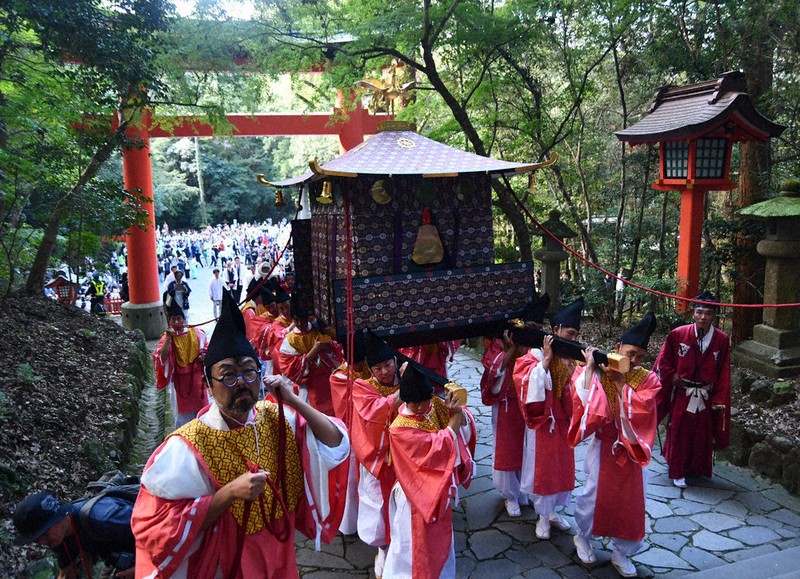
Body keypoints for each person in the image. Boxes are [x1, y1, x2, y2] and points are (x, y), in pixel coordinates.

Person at [131, 291, 350, 578]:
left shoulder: (275, 418)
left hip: (280, 552)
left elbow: (336, 442)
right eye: (228, 375)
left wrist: (294, 401)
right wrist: (228, 493)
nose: (242, 383)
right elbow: (153, 527)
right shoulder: (186, 446)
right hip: (227, 559)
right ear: (209, 384)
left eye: (249, 372)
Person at [569, 313, 662, 577]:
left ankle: (622, 551)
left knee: (631, 505)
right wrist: (590, 370)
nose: (635, 361)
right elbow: (582, 400)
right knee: (593, 495)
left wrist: (621, 383)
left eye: (640, 356)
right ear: (618, 347)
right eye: (630, 353)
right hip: (604, 446)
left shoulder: (647, 379)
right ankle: (583, 537)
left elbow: (644, 410)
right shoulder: (600, 368)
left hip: (633, 451)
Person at [383, 362, 476, 578]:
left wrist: (457, 410)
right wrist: (454, 418)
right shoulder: (399, 428)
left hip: (437, 486)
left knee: (440, 541)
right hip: (413, 492)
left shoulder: (432, 407)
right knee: (411, 546)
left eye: (425, 401)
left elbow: (463, 421)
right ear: (407, 401)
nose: (422, 407)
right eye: (416, 403)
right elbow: (436, 447)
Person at [513, 297, 583, 540]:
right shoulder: (534, 355)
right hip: (542, 423)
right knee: (543, 470)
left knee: (561, 469)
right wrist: (544, 363)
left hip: (563, 424)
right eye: (570, 333)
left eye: (576, 335)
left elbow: (580, 392)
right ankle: (542, 516)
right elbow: (522, 379)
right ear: (556, 330)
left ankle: (553, 512)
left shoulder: (571, 359)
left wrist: (573, 370)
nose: (573, 339)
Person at [480, 293, 549, 518]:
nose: (534, 331)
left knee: (526, 448)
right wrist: (510, 350)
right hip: (506, 402)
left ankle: (521, 489)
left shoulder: (538, 347)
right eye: (531, 326)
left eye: (538, 327)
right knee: (507, 448)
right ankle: (509, 494)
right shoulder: (502, 341)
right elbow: (492, 368)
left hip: (527, 402)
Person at [654, 291, 731, 489]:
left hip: (705, 394)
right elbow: (664, 361)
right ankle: (678, 471)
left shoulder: (722, 340)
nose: (703, 317)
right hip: (683, 392)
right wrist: (672, 375)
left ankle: (696, 468)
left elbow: (724, 371)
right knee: (680, 431)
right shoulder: (678, 334)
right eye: (699, 312)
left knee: (701, 433)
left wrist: (719, 398)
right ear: (693, 313)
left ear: (714, 316)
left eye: (708, 313)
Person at [347, 330, 403, 577]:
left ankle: (401, 549)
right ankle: (382, 549)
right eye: (378, 368)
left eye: (388, 365)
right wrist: (402, 393)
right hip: (377, 458)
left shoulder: (406, 379)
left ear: (395, 361)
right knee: (378, 506)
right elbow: (374, 412)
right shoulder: (362, 387)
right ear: (370, 370)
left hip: (405, 455)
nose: (384, 372)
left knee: (402, 506)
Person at [12, 491, 135, 577]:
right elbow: (65, 571)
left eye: (44, 534)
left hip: (143, 553)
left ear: (58, 518)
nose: (42, 543)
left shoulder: (104, 518)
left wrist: (141, 569)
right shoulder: (59, 538)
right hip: (119, 557)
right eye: (36, 540)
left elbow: (148, 525)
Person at [276, 295, 343, 415]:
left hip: (329, 380)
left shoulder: (319, 331)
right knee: (312, 417)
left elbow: (338, 353)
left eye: (302, 320)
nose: (300, 324)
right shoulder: (290, 340)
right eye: (296, 320)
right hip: (308, 386)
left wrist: (329, 348)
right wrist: (314, 350)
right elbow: (289, 368)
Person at [153, 301, 208, 429]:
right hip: (179, 385)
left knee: (202, 416)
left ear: (184, 319)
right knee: (183, 420)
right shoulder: (167, 338)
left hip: (198, 382)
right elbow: (161, 356)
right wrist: (168, 337)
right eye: (173, 319)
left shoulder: (197, 333)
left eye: (179, 318)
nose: (177, 321)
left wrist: (204, 357)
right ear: (169, 322)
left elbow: (207, 349)